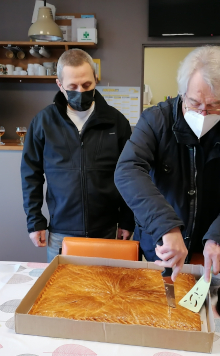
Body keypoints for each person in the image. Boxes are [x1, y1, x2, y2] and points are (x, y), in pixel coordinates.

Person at [114, 46, 220, 280]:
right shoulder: (155, 120)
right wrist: (166, 226)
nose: (203, 114)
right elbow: (128, 170)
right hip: (161, 241)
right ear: (181, 92)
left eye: (214, 105)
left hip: (211, 246)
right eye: (194, 103)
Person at [21, 49, 135, 262]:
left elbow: (129, 174)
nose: (80, 91)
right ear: (59, 84)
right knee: (63, 292)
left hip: (107, 229)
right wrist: (34, 220)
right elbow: (31, 174)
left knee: (105, 290)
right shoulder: (43, 122)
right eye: (72, 87)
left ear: (96, 79)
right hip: (61, 231)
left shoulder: (117, 122)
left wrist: (127, 220)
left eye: (86, 85)